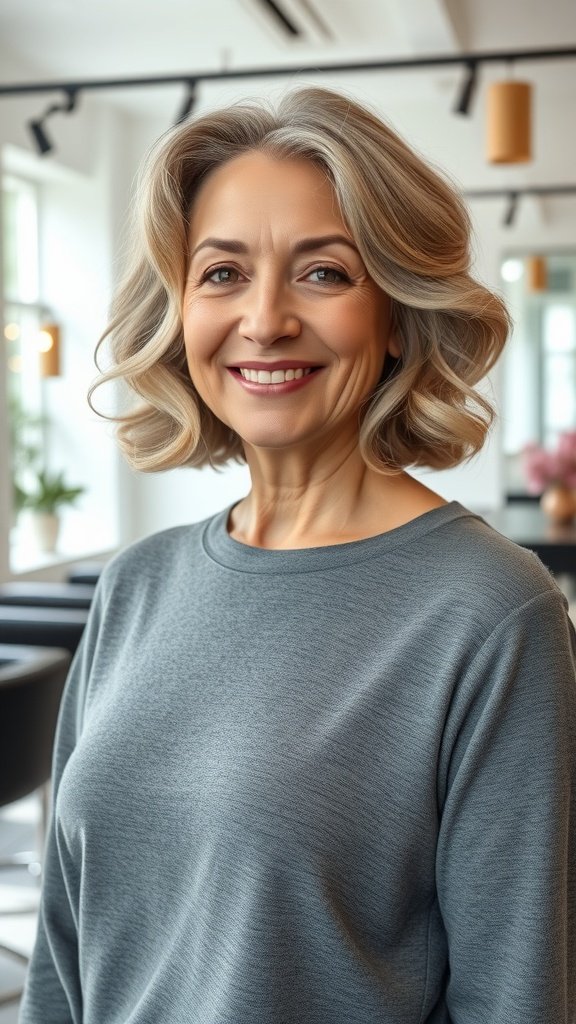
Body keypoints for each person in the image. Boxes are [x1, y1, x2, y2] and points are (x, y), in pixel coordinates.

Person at [20, 86, 575, 1024]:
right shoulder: (137, 584)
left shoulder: (489, 611)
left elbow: (517, 996)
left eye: (324, 274)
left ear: (397, 312)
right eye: (223, 273)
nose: (266, 319)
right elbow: (62, 958)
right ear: (181, 309)